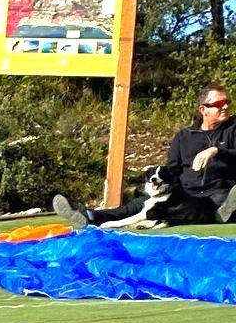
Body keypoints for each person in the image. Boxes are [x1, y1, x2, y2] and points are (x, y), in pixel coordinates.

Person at [54, 85, 236, 229]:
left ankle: (221, 214)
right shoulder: (183, 136)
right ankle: (91, 216)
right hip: (183, 192)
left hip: (218, 192)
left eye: (227, 102)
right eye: (220, 104)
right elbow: (172, 168)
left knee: (216, 203)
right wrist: (161, 186)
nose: (226, 107)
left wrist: (217, 151)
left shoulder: (233, 130)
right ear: (203, 109)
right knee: (138, 205)